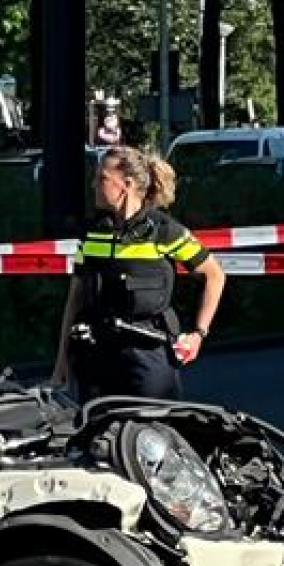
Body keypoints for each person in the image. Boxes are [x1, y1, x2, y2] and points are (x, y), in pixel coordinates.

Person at [51, 146, 227, 402]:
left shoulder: (163, 231)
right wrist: (61, 364)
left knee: (153, 435)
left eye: (101, 178)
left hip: (149, 358)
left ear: (127, 184)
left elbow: (215, 274)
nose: (93, 185)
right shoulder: (93, 235)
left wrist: (198, 334)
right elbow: (75, 300)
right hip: (97, 357)